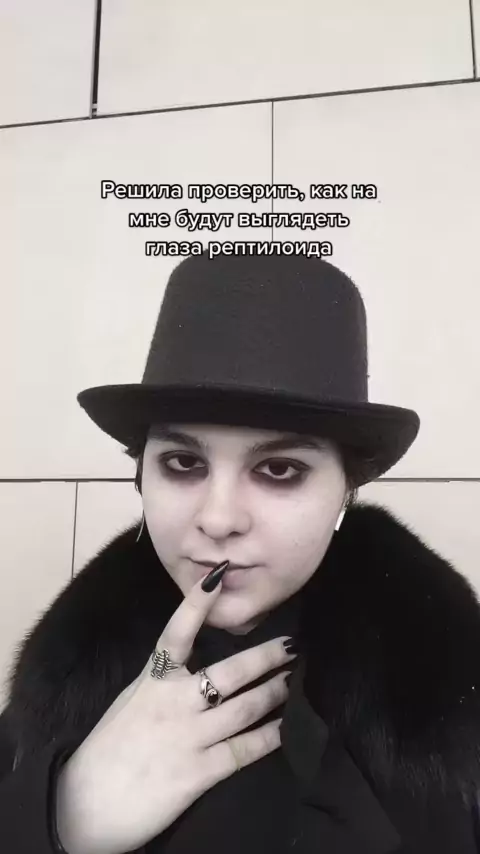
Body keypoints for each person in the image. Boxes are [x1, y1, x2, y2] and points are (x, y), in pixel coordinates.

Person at [1, 253, 480, 853]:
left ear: (346, 492)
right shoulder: (67, 674)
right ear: (141, 476)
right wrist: (60, 817)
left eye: (279, 469)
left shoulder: (450, 687)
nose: (219, 519)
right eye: (183, 463)